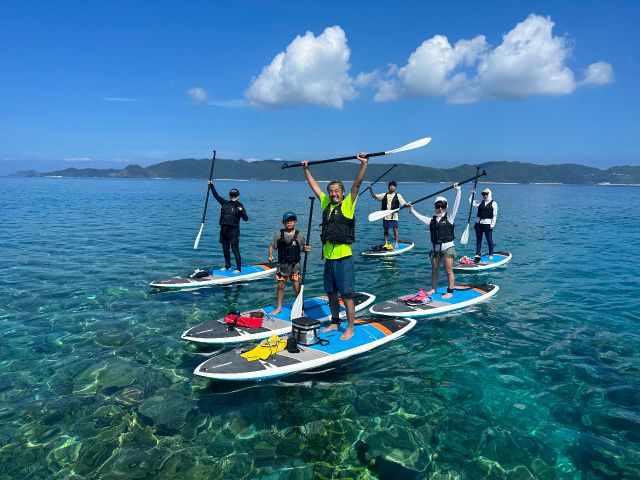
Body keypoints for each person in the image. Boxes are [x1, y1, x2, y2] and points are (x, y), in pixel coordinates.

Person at [301, 152, 369, 340]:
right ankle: (335, 321)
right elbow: (314, 187)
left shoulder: (348, 205)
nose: (333, 194)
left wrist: (363, 164)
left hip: (343, 258)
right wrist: (306, 170)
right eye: (331, 191)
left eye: (336, 191)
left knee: (346, 295)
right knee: (331, 293)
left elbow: (357, 184)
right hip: (329, 258)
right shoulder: (326, 204)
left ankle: (350, 328)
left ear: (342, 192)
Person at [406, 184, 461, 299]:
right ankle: (433, 288)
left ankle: (450, 291)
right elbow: (418, 216)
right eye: (438, 206)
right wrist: (411, 209)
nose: (440, 208)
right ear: (435, 207)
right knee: (434, 270)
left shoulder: (450, 217)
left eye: (442, 206)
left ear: (445, 207)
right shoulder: (431, 220)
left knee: (448, 270)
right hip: (435, 249)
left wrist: (458, 191)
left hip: (448, 248)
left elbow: (456, 204)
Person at [268, 211, 311, 315]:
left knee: (296, 286)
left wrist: (307, 249)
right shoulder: (278, 234)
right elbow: (271, 245)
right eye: (287, 220)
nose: (289, 222)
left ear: (295, 222)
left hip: (295, 265)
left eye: (291, 220)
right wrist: (270, 255)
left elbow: (303, 249)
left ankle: (300, 307)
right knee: (281, 286)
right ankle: (279, 307)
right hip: (282, 265)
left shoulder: (299, 235)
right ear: (283, 222)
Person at [208, 181, 248, 272]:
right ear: (230, 195)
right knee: (225, 249)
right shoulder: (225, 203)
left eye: (235, 195)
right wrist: (211, 186)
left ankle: (238, 268)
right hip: (224, 230)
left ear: (238, 196)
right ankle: (227, 265)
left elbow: (246, 219)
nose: (233, 197)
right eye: (232, 195)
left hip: (234, 231)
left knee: (235, 249)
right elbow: (216, 196)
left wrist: (241, 212)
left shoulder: (240, 206)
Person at [370, 181, 406, 248]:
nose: (392, 187)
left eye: (393, 186)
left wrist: (407, 205)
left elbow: (403, 203)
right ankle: (386, 243)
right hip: (385, 216)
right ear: (388, 187)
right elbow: (374, 196)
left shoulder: (398, 195)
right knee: (386, 230)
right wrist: (371, 190)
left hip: (394, 216)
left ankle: (396, 243)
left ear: (395, 187)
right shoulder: (384, 195)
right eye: (390, 186)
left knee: (395, 229)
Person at [470, 187, 498, 262]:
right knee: (478, 240)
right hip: (478, 223)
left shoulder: (493, 203)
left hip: (487, 224)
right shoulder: (480, 202)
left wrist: (492, 225)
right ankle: (478, 254)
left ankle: (491, 254)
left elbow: (495, 215)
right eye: (483, 194)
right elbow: (471, 202)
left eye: (486, 194)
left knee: (489, 239)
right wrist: (472, 194)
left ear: (489, 194)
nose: (485, 195)